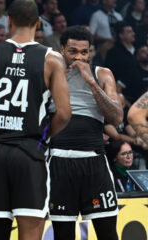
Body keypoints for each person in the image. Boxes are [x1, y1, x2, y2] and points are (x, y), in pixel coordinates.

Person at [0, 1, 71, 239]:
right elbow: (64, 113)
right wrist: (43, 138)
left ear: (8, 21)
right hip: (29, 152)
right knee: (30, 232)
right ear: (38, 22)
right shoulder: (51, 59)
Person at [47, 26, 123, 240]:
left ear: (91, 52)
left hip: (94, 160)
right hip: (59, 160)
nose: (79, 57)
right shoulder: (50, 74)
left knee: (108, 232)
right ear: (62, 49)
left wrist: (91, 82)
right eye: (73, 51)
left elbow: (116, 118)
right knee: (63, 234)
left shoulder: (102, 74)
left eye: (84, 52)